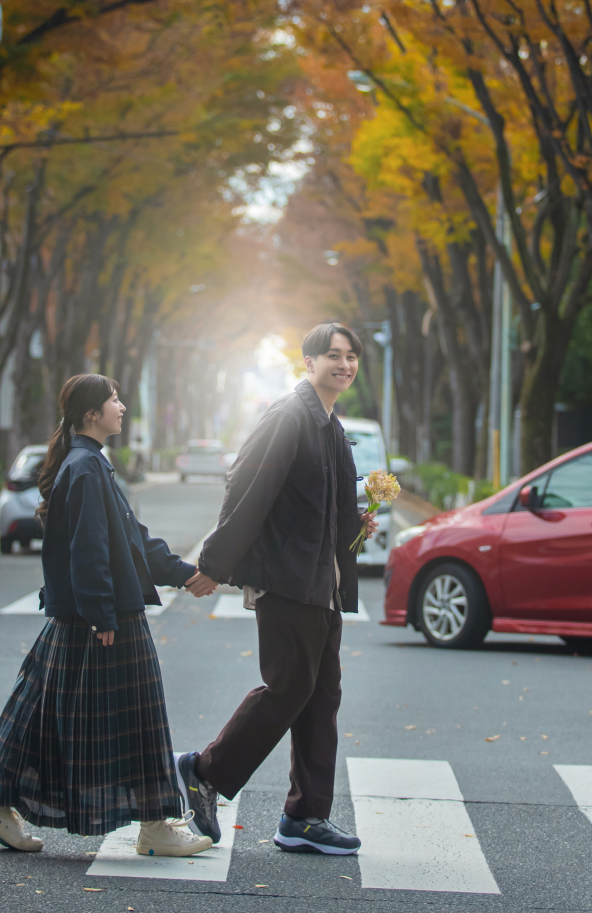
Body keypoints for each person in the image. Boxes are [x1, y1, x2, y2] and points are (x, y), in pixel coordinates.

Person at [0, 372, 217, 858]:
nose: (122, 407)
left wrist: (186, 573)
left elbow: (133, 541)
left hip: (85, 617)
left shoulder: (89, 464)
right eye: (114, 400)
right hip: (106, 620)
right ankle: (155, 827)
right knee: (139, 717)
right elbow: (88, 550)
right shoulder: (84, 468)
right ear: (91, 414)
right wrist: (103, 616)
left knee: (40, 711)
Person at [175, 323, 378, 856]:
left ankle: (306, 817)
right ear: (307, 362)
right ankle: (203, 771)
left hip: (320, 584)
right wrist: (216, 563)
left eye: (352, 356)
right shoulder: (290, 416)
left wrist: (358, 527)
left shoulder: (330, 426)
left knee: (321, 695)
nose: (344, 364)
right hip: (289, 579)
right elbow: (247, 485)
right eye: (333, 355)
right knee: (289, 687)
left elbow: (321, 505)